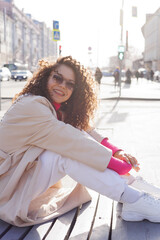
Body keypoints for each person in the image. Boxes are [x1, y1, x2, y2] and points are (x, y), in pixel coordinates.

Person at [1, 56, 160, 227]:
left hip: (17, 178)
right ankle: (135, 199)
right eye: (57, 78)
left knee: (70, 138)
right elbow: (75, 143)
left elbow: (84, 130)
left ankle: (135, 190)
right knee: (63, 154)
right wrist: (120, 166)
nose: (62, 86)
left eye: (70, 84)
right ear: (46, 76)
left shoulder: (52, 108)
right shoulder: (32, 105)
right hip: (6, 186)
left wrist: (116, 152)